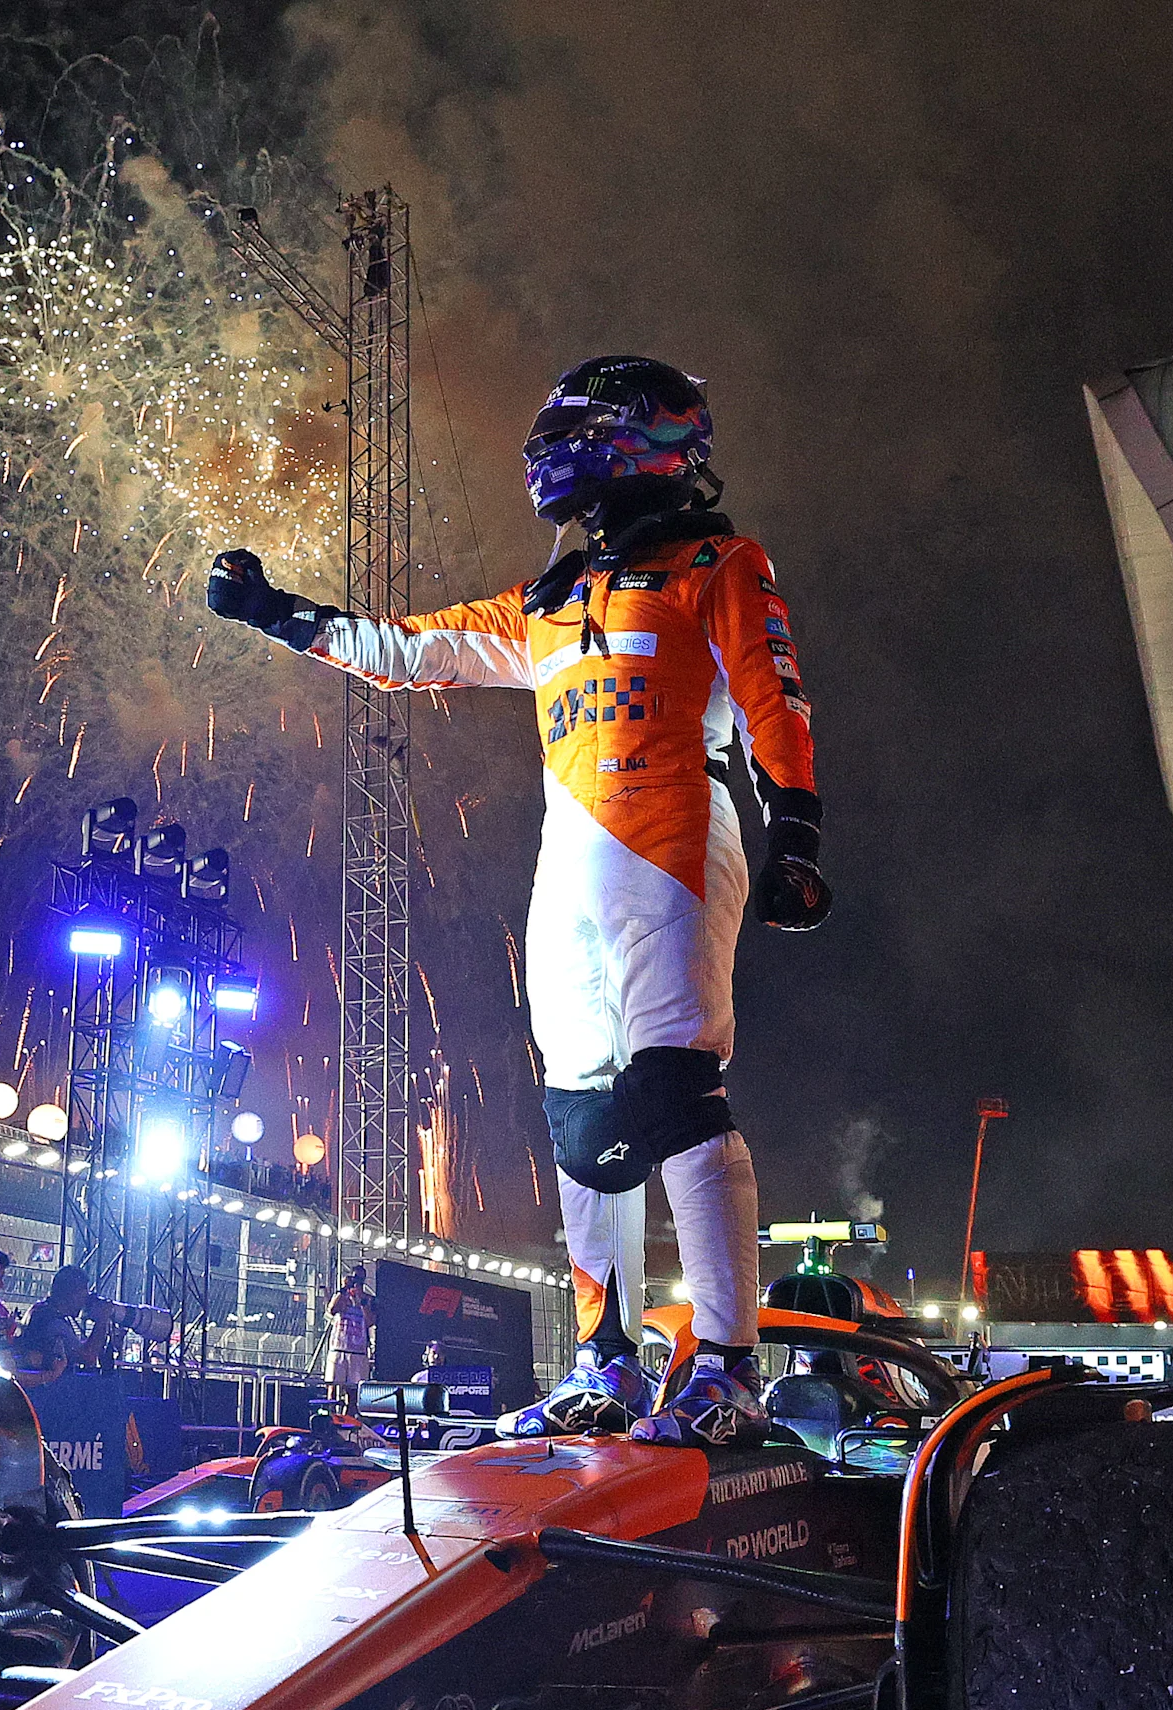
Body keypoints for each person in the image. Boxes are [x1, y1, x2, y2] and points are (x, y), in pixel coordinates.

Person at [209, 356, 828, 1447]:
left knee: (676, 1091)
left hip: (675, 838)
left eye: (577, 426)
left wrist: (798, 833)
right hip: (572, 871)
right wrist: (279, 615)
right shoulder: (547, 603)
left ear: (650, 436)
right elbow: (410, 651)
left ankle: (725, 1368)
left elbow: (773, 695)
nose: (550, 446)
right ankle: (607, 1360)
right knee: (583, 1114)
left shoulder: (715, 562)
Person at [13, 1265, 104, 1383]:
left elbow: (75, 1348)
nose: (84, 1302)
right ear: (71, 1295)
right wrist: (102, 1320)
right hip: (47, 1388)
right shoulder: (54, 1322)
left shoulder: (40, 1310)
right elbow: (87, 1357)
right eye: (83, 1296)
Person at [329, 1265, 377, 1397]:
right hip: (338, 1347)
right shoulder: (342, 1296)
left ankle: (350, 1415)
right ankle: (330, 1414)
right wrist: (344, 1288)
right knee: (332, 1387)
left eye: (360, 1279)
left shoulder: (368, 1299)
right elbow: (332, 1310)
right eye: (355, 1278)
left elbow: (370, 1322)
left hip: (358, 1350)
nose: (357, 1282)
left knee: (354, 1391)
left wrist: (361, 1300)